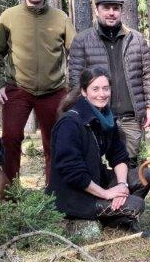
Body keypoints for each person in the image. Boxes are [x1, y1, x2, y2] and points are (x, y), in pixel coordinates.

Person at [0, 0, 75, 185]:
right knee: (10, 137)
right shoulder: (9, 17)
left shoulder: (60, 17)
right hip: (18, 88)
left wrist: (73, 88)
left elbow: (75, 51)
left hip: (54, 90)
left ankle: (53, 191)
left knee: (54, 141)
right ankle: (10, 191)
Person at [48, 67, 144, 238]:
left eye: (105, 89)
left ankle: (115, 212)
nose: (102, 94)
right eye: (95, 89)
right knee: (136, 205)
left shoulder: (105, 117)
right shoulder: (70, 123)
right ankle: (112, 215)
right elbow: (73, 173)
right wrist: (106, 193)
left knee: (144, 176)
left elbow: (118, 155)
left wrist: (122, 185)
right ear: (84, 92)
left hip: (97, 180)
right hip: (74, 196)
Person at [67, 0, 150, 165]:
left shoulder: (136, 39)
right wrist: (83, 112)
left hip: (130, 116)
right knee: (94, 163)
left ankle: (128, 183)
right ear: (97, 11)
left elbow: (148, 74)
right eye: (106, 8)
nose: (111, 13)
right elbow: (76, 80)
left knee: (129, 163)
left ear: (121, 11)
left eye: (115, 8)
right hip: (96, 116)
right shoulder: (82, 40)